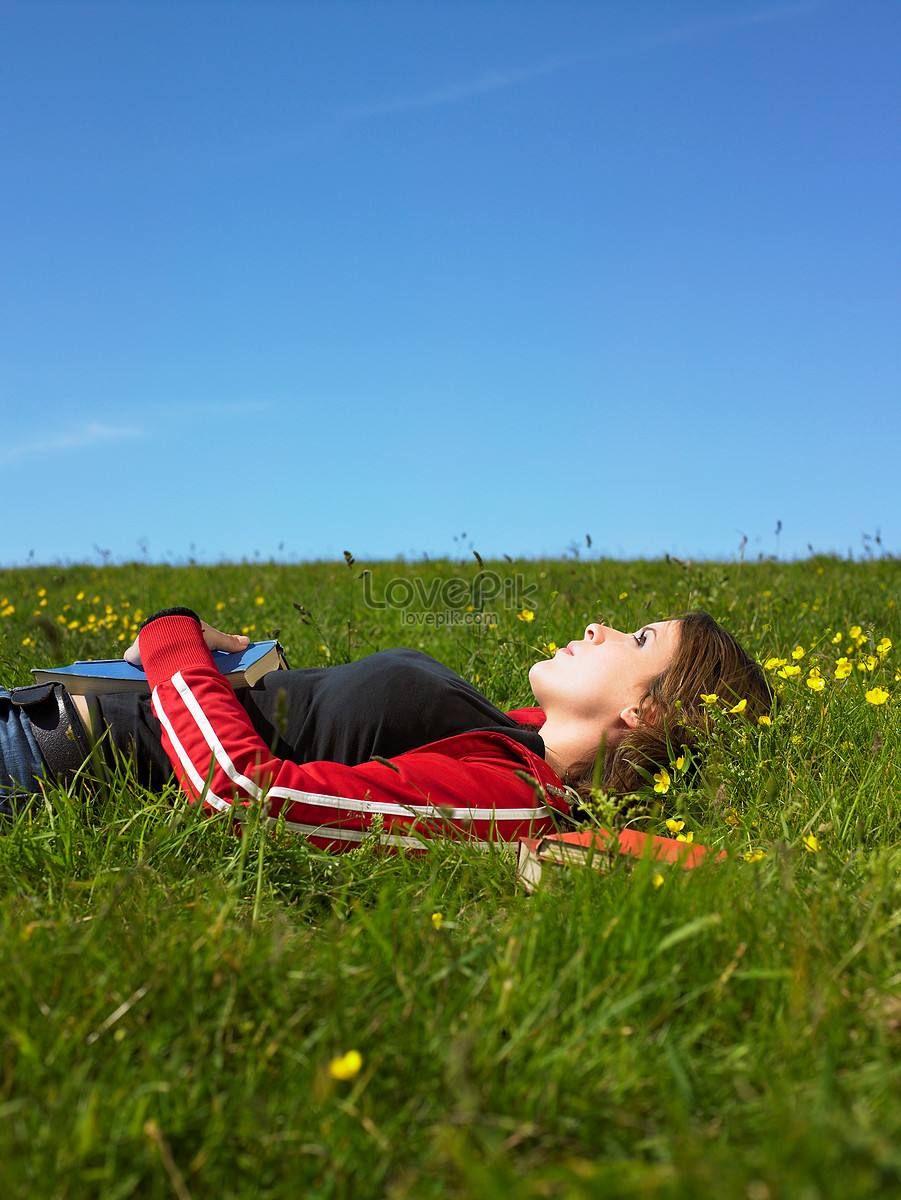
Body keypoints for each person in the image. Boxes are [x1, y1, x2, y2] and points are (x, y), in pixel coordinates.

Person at [1, 607, 772, 848]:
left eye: (638, 642)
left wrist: (172, 638)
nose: (601, 626)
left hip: (40, 759)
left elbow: (244, 797)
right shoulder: (514, 740)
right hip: (39, 714)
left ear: (649, 714)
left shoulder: (515, 798)